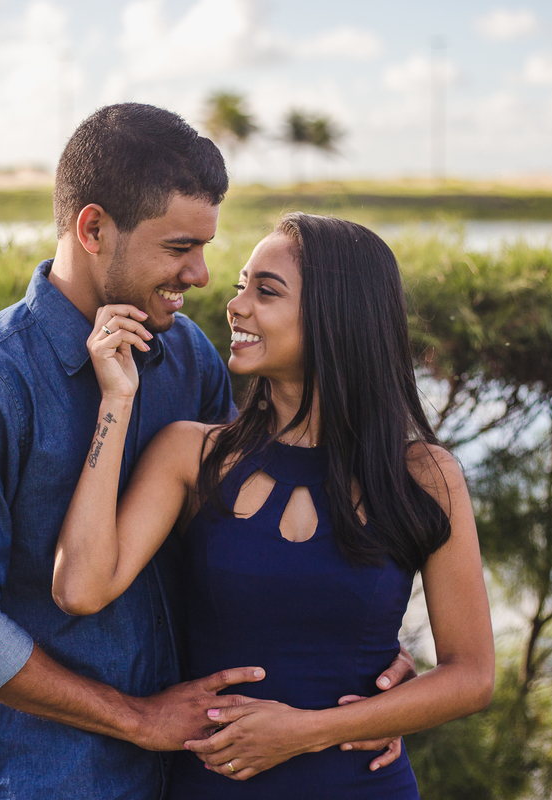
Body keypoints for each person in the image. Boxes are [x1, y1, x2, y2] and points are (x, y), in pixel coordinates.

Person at [0, 105, 413, 800]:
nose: (201, 275)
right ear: (93, 229)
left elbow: (259, 527)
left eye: (204, 247)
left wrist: (363, 670)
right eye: (178, 248)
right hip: (62, 780)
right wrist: (136, 719)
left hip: (209, 770)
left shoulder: (186, 355)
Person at [53, 213, 495, 798]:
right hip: (216, 783)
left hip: (361, 786)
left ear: (337, 319)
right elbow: (80, 588)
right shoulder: (191, 454)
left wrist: (308, 732)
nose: (235, 306)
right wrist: (116, 398)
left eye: (266, 291)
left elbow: (472, 675)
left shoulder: (424, 475)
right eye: (241, 286)